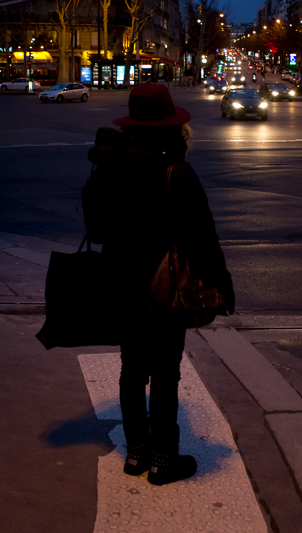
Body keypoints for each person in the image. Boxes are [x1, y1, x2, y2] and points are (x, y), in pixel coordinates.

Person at [82, 83, 234, 486]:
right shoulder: (177, 173)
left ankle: (136, 453)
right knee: (165, 372)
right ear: (173, 129)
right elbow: (203, 237)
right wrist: (223, 286)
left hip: (119, 282)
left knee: (131, 369)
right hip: (163, 288)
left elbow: (95, 230)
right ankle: (165, 458)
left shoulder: (106, 168)